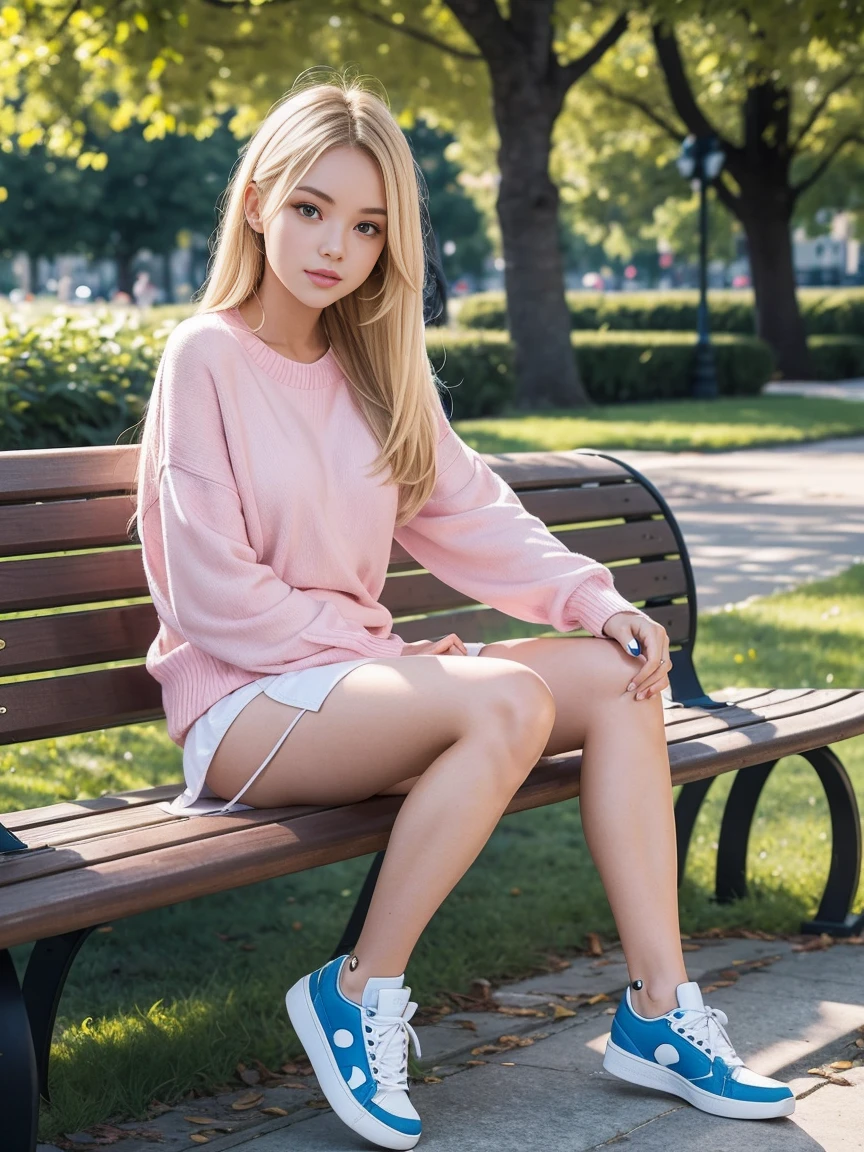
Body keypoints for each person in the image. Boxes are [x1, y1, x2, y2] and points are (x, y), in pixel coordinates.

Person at [133, 69, 794, 1152]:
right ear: (257, 200)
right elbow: (208, 591)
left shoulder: (377, 366)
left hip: (347, 686)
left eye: (365, 224)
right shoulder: (204, 355)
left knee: (617, 675)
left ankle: (661, 1012)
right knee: (502, 703)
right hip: (245, 704)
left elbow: (473, 513)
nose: (333, 245)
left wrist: (593, 598)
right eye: (309, 207)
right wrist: (372, 648)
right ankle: (359, 990)